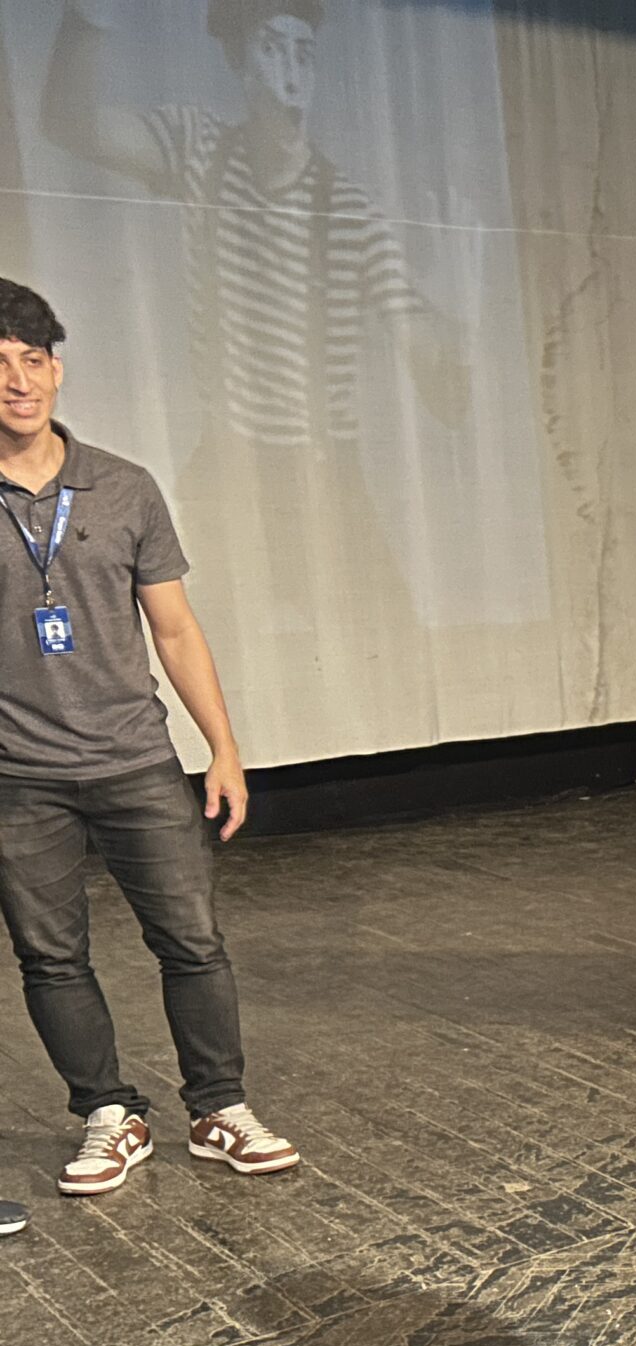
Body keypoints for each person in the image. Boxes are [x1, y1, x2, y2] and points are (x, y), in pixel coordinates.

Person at [0, 279, 299, 1197]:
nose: (18, 382)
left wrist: (224, 748)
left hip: (135, 759)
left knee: (192, 941)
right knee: (51, 957)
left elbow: (174, 629)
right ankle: (107, 1113)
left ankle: (219, 1109)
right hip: (18, 775)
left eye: (33, 360)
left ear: (57, 370)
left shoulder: (124, 485)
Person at [42, 0, 467, 636]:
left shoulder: (346, 210)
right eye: (272, 48)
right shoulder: (202, 148)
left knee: (384, 633)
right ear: (239, 62)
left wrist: (456, 312)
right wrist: (89, 14)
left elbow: (439, 384)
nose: (292, 73)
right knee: (208, 638)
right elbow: (72, 124)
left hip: (324, 474)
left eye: (305, 55)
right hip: (231, 464)